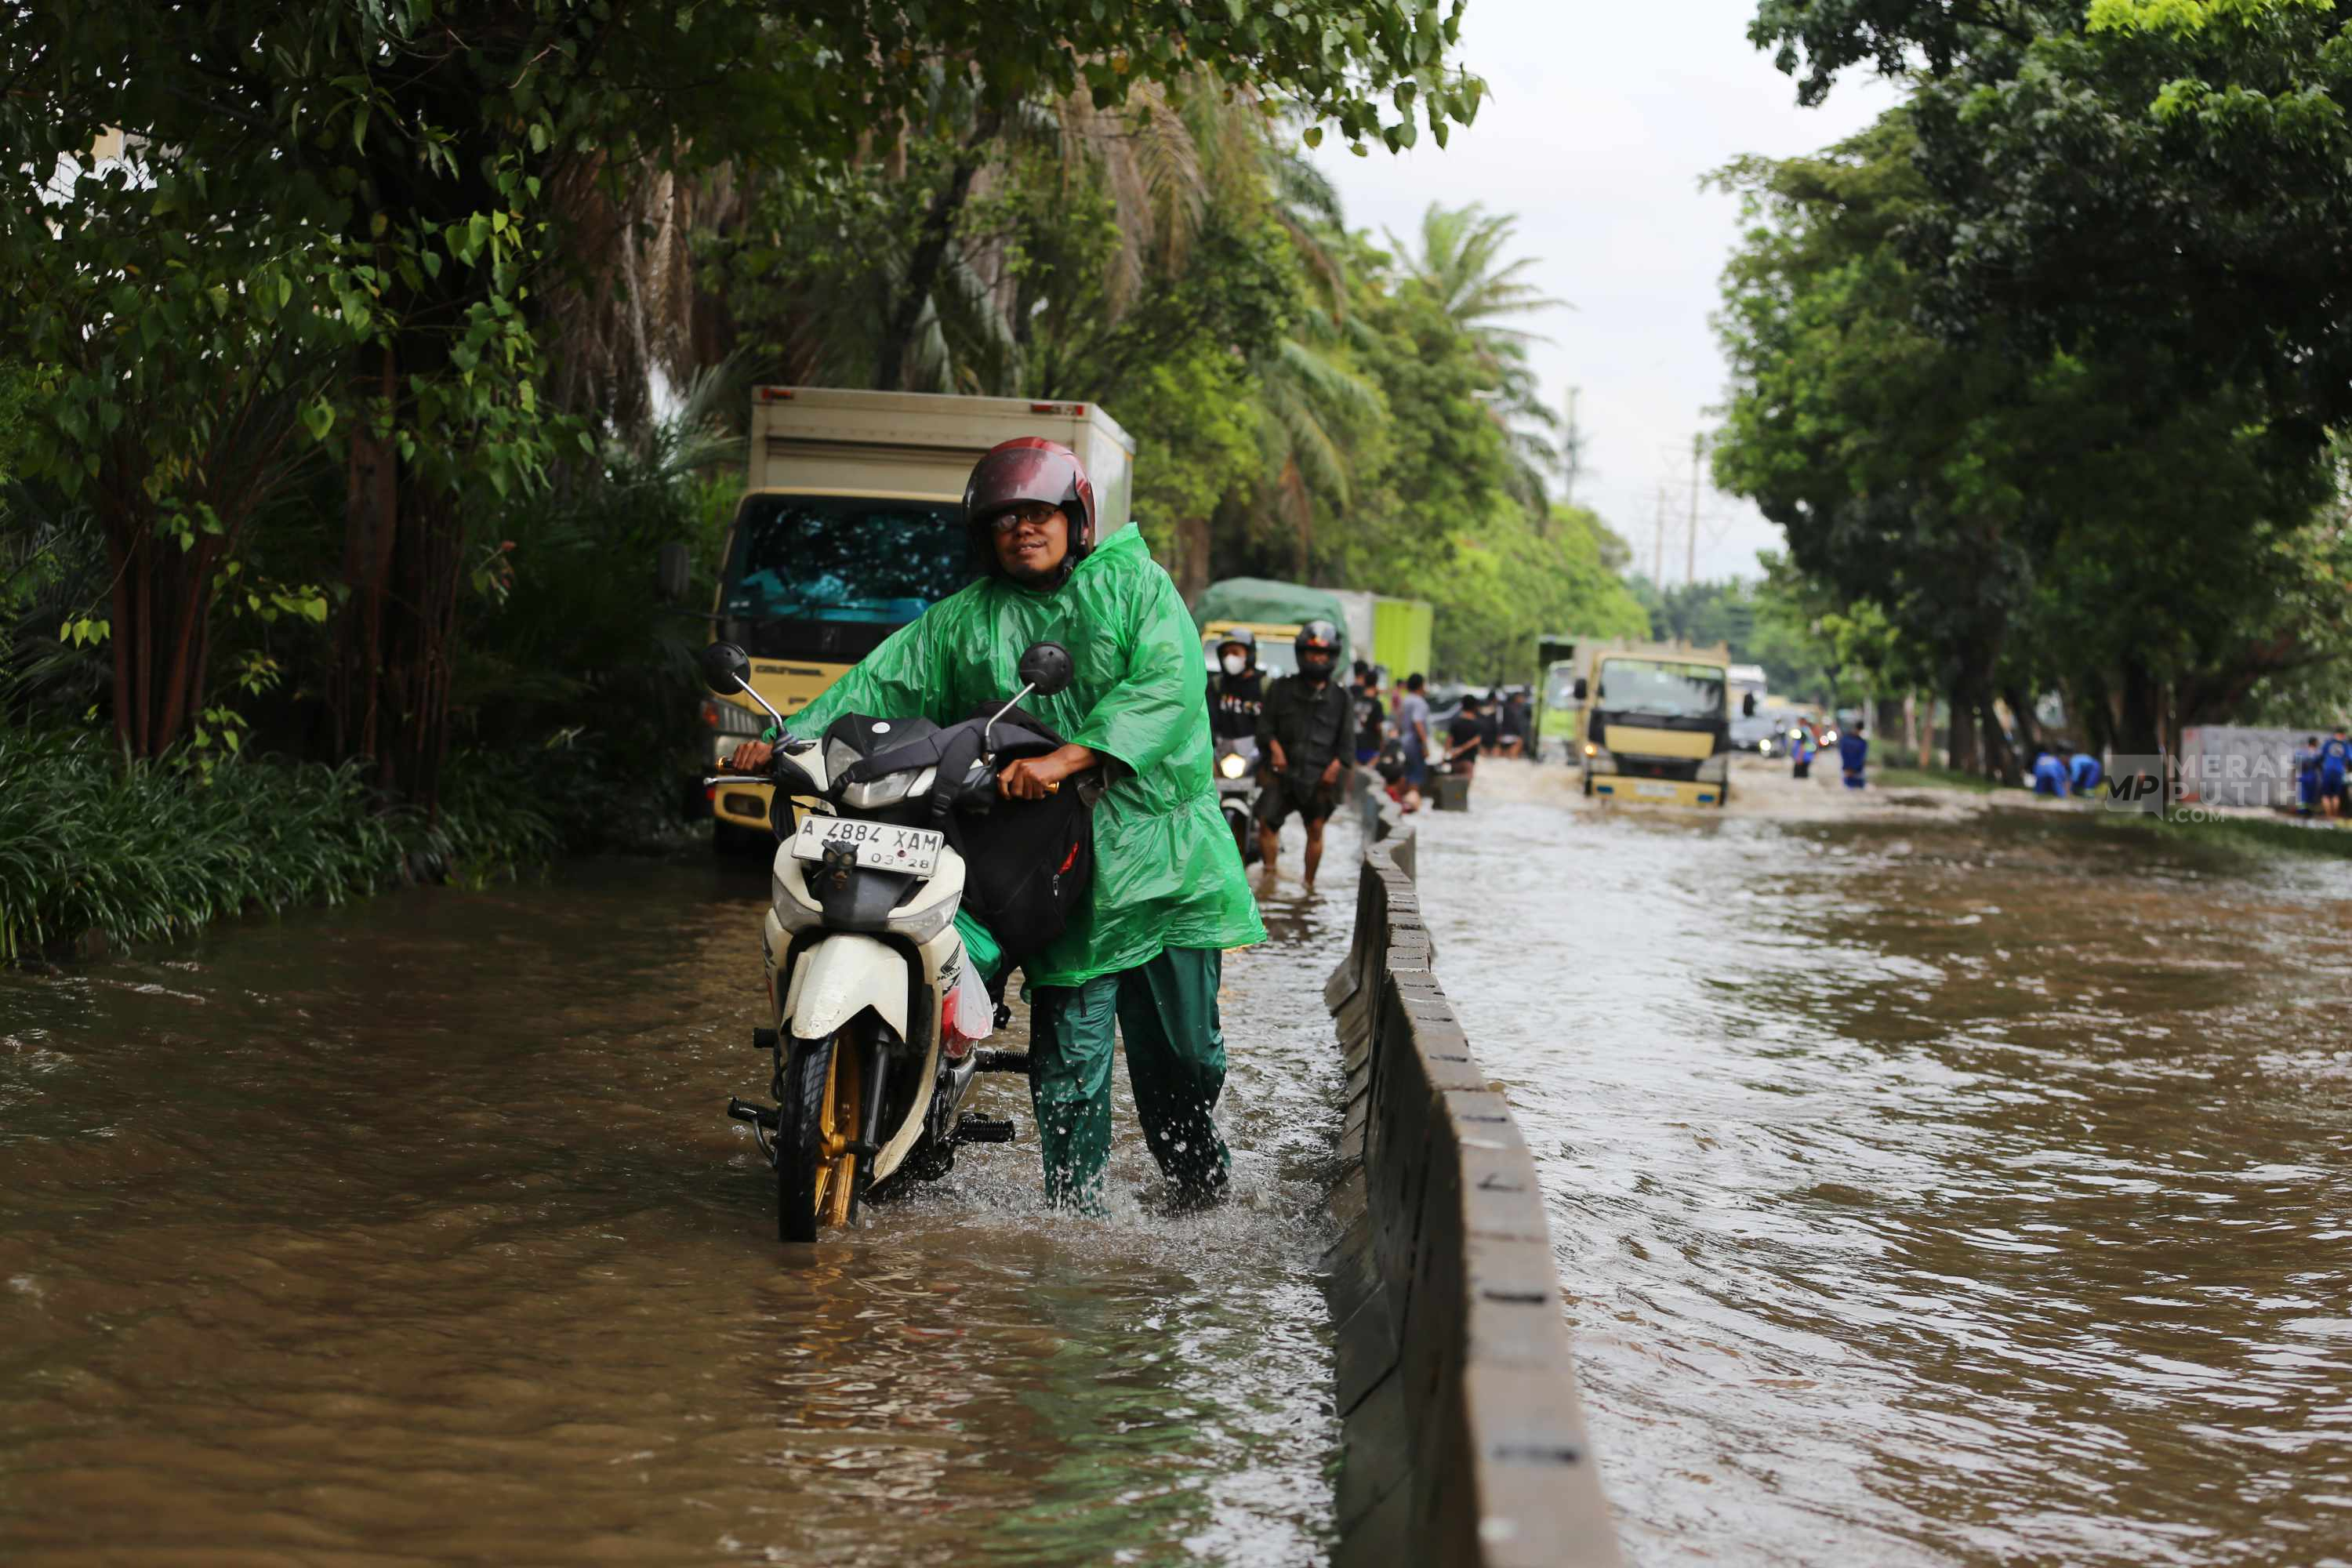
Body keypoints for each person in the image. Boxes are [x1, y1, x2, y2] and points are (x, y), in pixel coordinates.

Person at [725, 437, 1264, 1214]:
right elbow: (881, 679)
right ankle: (1075, 1223)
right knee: (1069, 1066)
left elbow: (1166, 688)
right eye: (1005, 519)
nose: (1023, 529)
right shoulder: (965, 620)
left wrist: (1070, 757)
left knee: (1185, 1058)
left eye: (1039, 513)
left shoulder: (1135, 585)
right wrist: (787, 738)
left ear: (1076, 519)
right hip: (1054, 866)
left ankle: (1198, 1185)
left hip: (1162, 861)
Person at [1255, 620, 1355, 894]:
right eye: (1312, 652)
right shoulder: (1280, 688)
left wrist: (1335, 768)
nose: (1317, 658)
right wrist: (1275, 749)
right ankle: (1269, 876)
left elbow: (1347, 744)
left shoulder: (1342, 698)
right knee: (1266, 821)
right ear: (1302, 654)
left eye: (1323, 653)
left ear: (1332, 656)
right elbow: (1265, 728)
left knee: (1316, 829)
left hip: (1320, 777)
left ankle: (1308, 885)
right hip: (1282, 773)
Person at [1207, 629, 1263, 742]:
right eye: (1225, 654)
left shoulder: (1266, 685)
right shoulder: (1216, 685)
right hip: (1222, 753)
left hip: (1257, 755)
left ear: (1250, 654)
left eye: (1235, 652)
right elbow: (1208, 723)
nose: (1229, 658)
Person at [1395, 673, 1433, 801]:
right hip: (1415, 742)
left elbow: (1399, 720)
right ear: (1421, 685)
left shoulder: (1406, 700)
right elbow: (1418, 722)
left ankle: (1401, 800)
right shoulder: (1419, 702)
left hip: (1405, 740)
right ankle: (1412, 802)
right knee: (1416, 775)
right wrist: (1425, 745)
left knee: (1407, 772)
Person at [1350, 661, 1386, 766]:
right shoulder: (1377, 704)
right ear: (1376, 683)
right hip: (1370, 746)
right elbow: (1378, 727)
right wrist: (1382, 742)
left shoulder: (1355, 699)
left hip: (1355, 744)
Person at [1444, 691, 1488, 777]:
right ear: (1475, 706)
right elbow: (1477, 740)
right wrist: (1462, 749)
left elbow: (1449, 740)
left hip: (1455, 760)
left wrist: (1445, 756)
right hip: (1469, 761)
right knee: (1464, 787)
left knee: (1454, 786)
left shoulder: (1455, 721)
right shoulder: (1477, 723)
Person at [2323, 727, 2352, 819]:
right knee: (2336, 795)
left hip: (2328, 771)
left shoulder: (2328, 743)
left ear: (2335, 734)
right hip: (2339, 771)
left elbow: (2321, 755)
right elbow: (2350, 758)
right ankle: (2334, 816)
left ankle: (2328, 816)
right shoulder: (2346, 745)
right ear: (2343, 735)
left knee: (2326, 795)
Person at [1495, 687, 1529, 760]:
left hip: (1505, 735)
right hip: (1510, 736)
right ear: (1517, 698)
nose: (1523, 699)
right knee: (1512, 757)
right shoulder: (1516, 710)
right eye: (1522, 697)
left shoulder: (1508, 707)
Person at [1838, 721, 1868, 789]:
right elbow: (1861, 758)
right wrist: (1851, 769)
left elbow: (1843, 754)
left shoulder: (1845, 740)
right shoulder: (1862, 743)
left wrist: (1849, 769)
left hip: (1853, 771)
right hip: (1854, 771)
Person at [2299, 736, 2323, 818]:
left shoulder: (2302, 752)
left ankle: (2303, 812)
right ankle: (2310, 813)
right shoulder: (2318, 753)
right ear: (2315, 743)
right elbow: (2321, 767)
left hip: (2303, 776)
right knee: (2312, 796)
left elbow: (2296, 765)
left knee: (2303, 795)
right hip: (2313, 776)